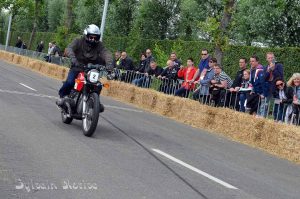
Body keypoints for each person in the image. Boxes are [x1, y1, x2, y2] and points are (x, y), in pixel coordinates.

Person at [56, 24, 112, 112]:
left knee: (98, 85)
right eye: (91, 37)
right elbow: (69, 48)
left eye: (95, 38)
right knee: (70, 81)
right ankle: (63, 97)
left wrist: (109, 65)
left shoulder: (99, 45)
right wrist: (73, 59)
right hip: (78, 66)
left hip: (92, 69)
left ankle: (95, 101)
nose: (93, 40)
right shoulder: (78, 41)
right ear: (86, 35)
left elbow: (106, 53)